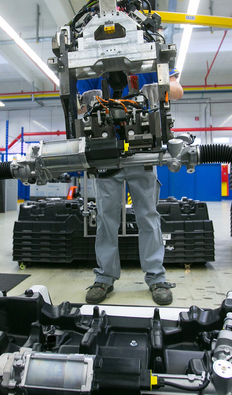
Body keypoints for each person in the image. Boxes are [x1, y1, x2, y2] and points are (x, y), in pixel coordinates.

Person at [77, 68, 183, 305]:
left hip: (143, 152)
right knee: (106, 219)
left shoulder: (146, 61)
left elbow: (177, 90)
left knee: (147, 216)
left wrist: (155, 90)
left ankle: (156, 277)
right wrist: (86, 103)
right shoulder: (93, 67)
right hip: (105, 152)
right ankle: (105, 276)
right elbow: (80, 107)